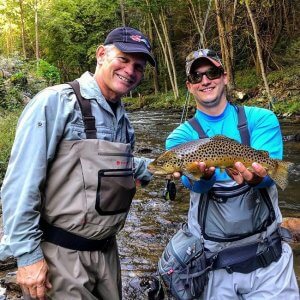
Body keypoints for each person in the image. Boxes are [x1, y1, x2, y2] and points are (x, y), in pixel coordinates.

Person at [0, 26, 156, 300]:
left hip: (108, 255)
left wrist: (163, 168)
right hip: (61, 257)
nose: (130, 71)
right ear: (101, 55)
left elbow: (120, 166)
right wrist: (27, 257)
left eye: (138, 66)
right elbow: (20, 185)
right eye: (123, 59)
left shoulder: (123, 120)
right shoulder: (56, 102)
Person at [164, 49, 299, 299]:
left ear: (224, 77)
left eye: (212, 73)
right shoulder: (179, 138)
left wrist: (259, 178)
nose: (205, 81)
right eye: (197, 76)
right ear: (189, 86)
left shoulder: (261, 119)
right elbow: (193, 185)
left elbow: (267, 173)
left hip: (269, 262)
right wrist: (203, 178)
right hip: (213, 266)